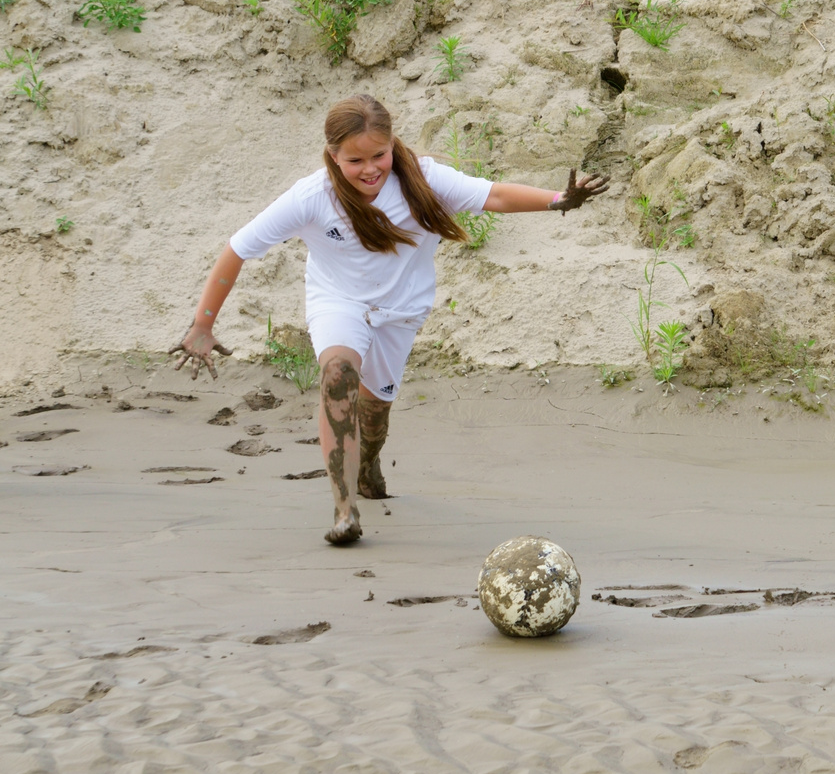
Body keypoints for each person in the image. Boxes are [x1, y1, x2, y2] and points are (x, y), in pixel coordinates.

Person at [170, 94, 609, 546]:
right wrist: (203, 325)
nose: (369, 169)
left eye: (378, 155)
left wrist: (558, 200)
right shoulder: (311, 197)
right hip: (338, 303)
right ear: (333, 155)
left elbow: (493, 194)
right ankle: (344, 511)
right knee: (337, 376)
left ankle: (367, 461)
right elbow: (237, 249)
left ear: (392, 144)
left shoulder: (424, 180)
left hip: (400, 313)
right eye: (354, 160)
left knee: (374, 414)